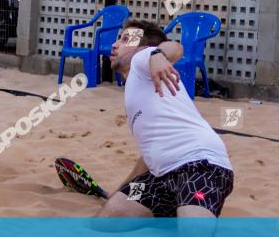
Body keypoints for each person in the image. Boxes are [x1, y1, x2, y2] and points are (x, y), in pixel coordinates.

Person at [97, 19, 234, 220]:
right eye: (119, 38)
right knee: (107, 219)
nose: (115, 44)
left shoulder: (141, 60)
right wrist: (118, 191)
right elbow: (148, 156)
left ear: (143, 49)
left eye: (126, 39)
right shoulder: (136, 90)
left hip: (199, 167)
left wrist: (158, 55)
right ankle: (175, 212)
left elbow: (175, 48)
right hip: (159, 178)